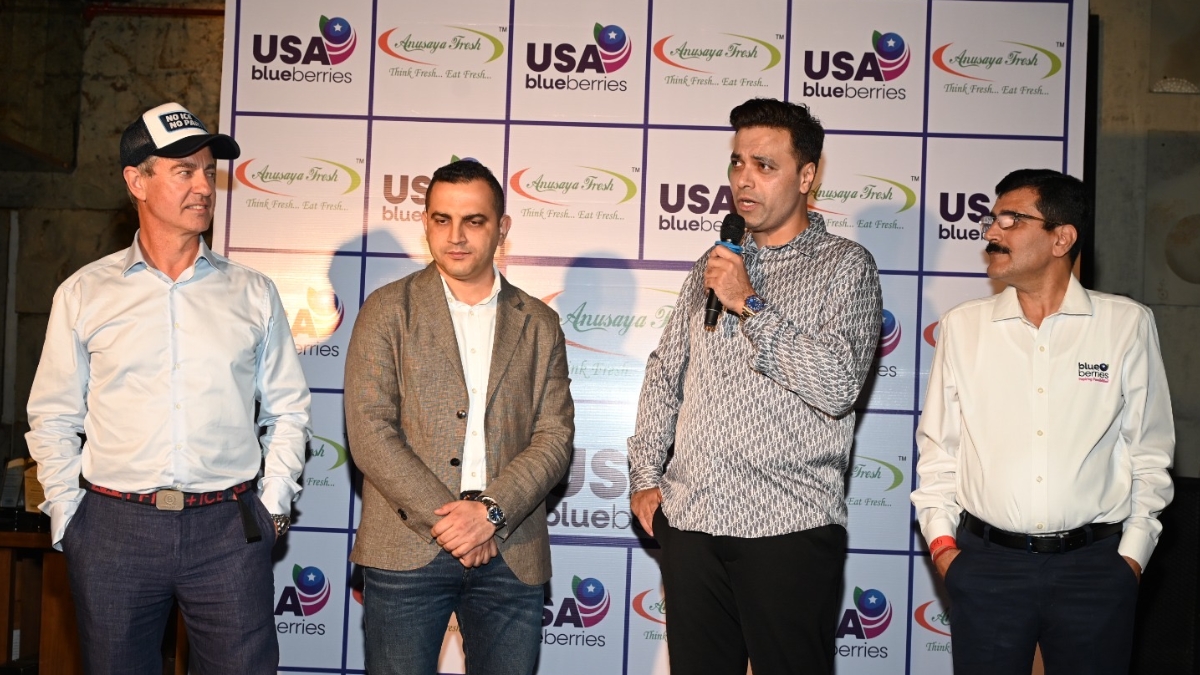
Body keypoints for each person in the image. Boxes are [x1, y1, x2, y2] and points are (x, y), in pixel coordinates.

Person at [25, 102, 312, 674]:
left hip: (229, 529)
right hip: (114, 530)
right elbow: (53, 416)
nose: (204, 185)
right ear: (137, 181)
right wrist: (70, 518)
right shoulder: (83, 294)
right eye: (184, 171)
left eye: (208, 170)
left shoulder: (253, 293)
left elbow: (288, 411)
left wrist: (272, 507)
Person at [627, 98, 883, 675]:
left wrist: (748, 303)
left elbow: (838, 384)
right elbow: (666, 373)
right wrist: (645, 477)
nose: (744, 179)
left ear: (807, 176)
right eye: (738, 162)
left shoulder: (845, 266)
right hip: (692, 524)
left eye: (764, 165)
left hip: (788, 527)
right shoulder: (714, 261)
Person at [911, 169, 1175, 674]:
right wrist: (945, 550)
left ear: (1062, 238)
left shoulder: (1126, 325)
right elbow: (940, 450)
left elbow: (1150, 451)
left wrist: (1132, 558)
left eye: (1012, 219)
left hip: (1095, 570)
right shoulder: (963, 327)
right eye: (993, 219)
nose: (992, 231)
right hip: (986, 567)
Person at [344, 159, 574, 675]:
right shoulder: (386, 310)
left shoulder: (539, 323)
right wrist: (454, 524)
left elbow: (555, 437)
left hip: (511, 550)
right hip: (405, 548)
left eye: (474, 220)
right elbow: (370, 431)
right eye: (442, 219)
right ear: (425, 223)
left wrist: (489, 513)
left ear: (502, 228)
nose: (456, 236)